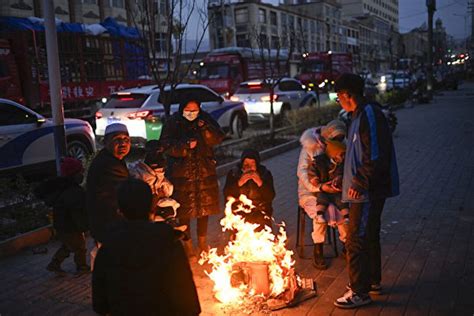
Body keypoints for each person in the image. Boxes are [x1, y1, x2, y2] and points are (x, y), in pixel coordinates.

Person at [333, 73, 399, 309]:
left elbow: (375, 154)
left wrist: (359, 182)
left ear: (347, 95)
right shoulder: (357, 115)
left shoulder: (368, 114)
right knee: (369, 234)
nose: (338, 100)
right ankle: (372, 281)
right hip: (362, 189)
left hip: (367, 191)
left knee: (355, 239)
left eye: (338, 96)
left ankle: (359, 292)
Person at [92, 178, 201, 315]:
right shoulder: (169, 244)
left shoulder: (107, 249)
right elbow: (188, 302)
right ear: (152, 207)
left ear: (120, 210)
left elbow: (99, 304)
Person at [160, 99, 225, 257]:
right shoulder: (173, 122)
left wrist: (205, 128)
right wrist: (184, 146)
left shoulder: (205, 120)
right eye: (188, 110)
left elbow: (217, 138)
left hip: (204, 173)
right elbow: (165, 145)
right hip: (182, 175)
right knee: (184, 211)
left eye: (194, 110)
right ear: (182, 109)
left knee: (204, 210)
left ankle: (203, 243)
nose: (191, 113)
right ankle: (187, 244)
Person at [297, 121, 349, 270]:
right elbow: (302, 172)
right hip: (311, 190)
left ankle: (347, 245)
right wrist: (319, 186)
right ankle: (318, 249)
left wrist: (338, 183)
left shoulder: (340, 148)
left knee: (343, 209)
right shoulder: (310, 147)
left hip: (334, 189)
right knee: (321, 213)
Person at [35, 157, 89, 275]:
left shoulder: (63, 188)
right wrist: (84, 226)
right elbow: (77, 212)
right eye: (81, 171)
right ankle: (82, 267)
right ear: (75, 174)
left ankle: (54, 264)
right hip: (71, 226)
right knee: (80, 247)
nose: (83, 173)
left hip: (61, 225)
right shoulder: (73, 192)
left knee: (68, 245)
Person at [86, 123, 130, 267]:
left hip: (109, 223)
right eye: (117, 139)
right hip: (109, 224)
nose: (123, 143)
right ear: (106, 142)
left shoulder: (113, 160)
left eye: (126, 139)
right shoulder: (109, 165)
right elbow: (127, 193)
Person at [129, 140, 184, 231]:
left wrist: (164, 191)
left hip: (158, 200)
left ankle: (172, 225)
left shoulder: (159, 168)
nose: (156, 154)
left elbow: (164, 183)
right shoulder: (139, 172)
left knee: (167, 209)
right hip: (147, 204)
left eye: (158, 152)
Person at [223, 149, 275, 230]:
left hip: (260, 213)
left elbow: (270, 196)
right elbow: (227, 194)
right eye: (246, 163)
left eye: (252, 163)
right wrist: (240, 182)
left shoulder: (264, 174)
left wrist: (259, 182)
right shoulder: (234, 173)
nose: (249, 167)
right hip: (240, 213)